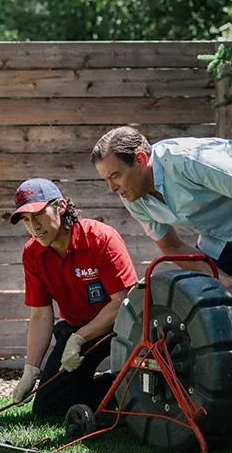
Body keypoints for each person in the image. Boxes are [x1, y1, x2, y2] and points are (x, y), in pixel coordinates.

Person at [90, 127, 232, 439]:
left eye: (115, 176)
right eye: (105, 180)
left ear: (139, 159)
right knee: (198, 296)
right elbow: (173, 248)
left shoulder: (188, 160)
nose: (112, 188)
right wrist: (223, 279)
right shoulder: (134, 195)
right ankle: (208, 400)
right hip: (222, 229)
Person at [9, 178, 138, 418]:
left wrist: (79, 339)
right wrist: (30, 370)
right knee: (49, 409)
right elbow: (40, 313)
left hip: (123, 328)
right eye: (26, 220)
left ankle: (129, 385)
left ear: (60, 206)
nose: (34, 226)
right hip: (76, 331)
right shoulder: (32, 253)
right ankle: (116, 386)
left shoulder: (100, 238)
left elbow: (122, 300)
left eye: (38, 214)